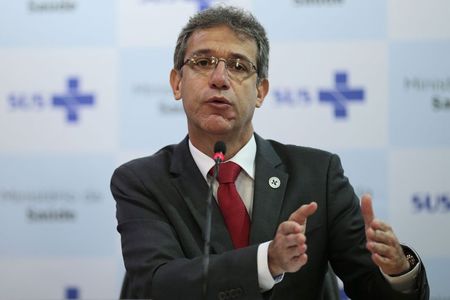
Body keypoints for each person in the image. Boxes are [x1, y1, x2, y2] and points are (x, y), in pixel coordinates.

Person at [111, 5, 429, 300]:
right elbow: (157, 283)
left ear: (260, 91)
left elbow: (371, 288)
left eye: (238, 66)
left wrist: (398, 271)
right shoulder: (142, 181)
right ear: (177, 82)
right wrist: (268, 261)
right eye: (203, 62)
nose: (219, 79)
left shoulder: (318, 175)